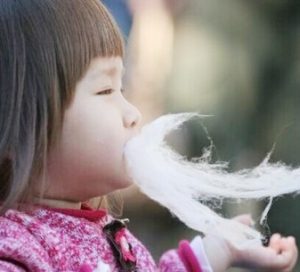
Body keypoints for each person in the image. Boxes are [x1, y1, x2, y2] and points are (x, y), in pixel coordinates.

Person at [0, 0, 297, 271]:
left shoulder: (108, 234)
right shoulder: (17, 251)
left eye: (122, 90)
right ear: (20, 129)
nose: (133, 114)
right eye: (105, 90)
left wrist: (218, 249)